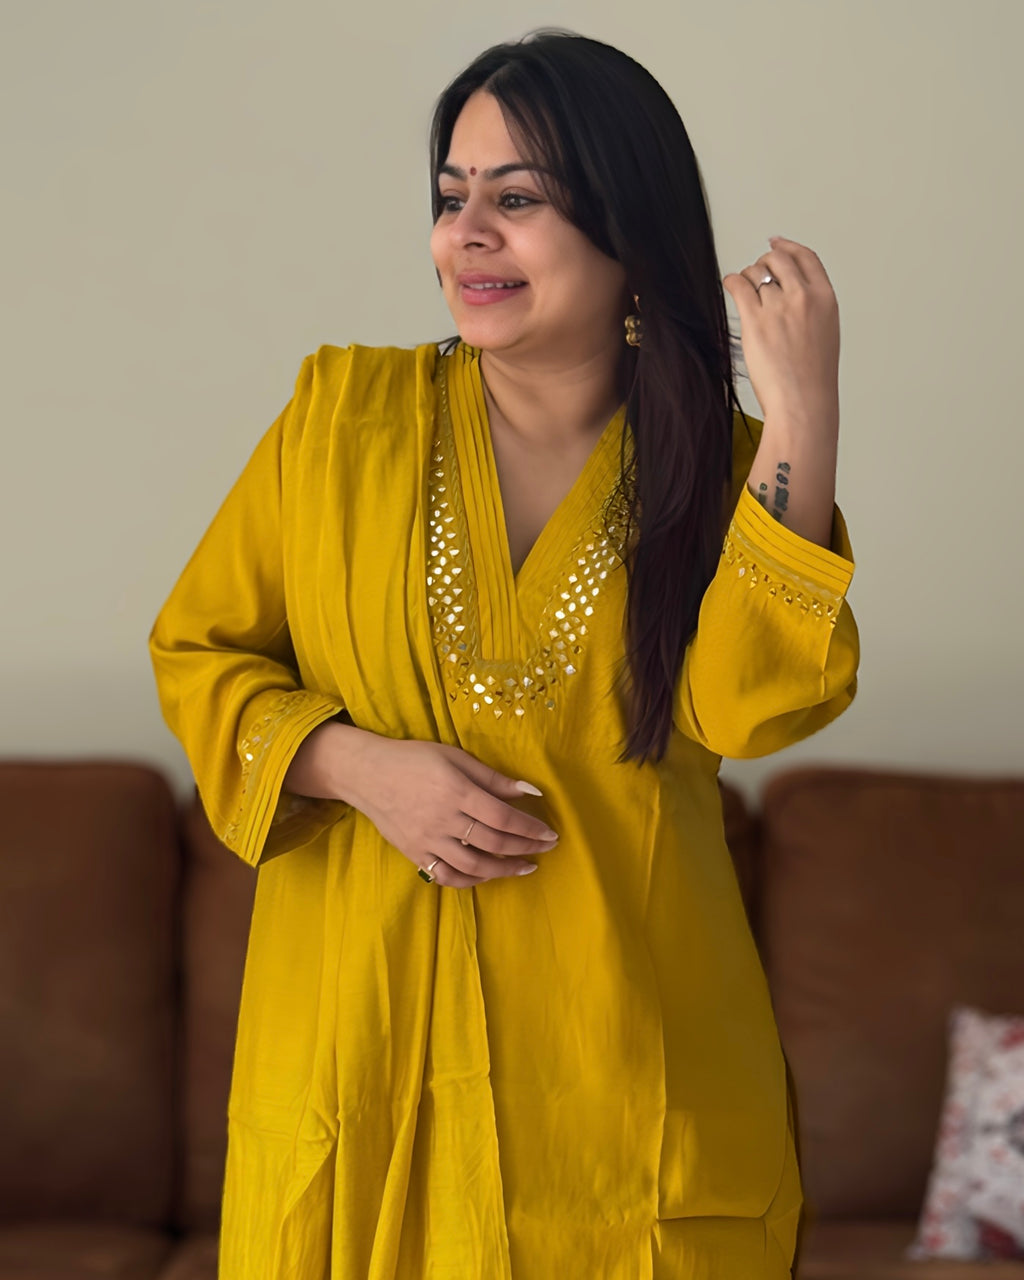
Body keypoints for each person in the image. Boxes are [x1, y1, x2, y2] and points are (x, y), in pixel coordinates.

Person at [149, 28, 858, 1280]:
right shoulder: (337, 423)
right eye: (450, 196)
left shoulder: (729, 476)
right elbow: (199, 651)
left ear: (627, 229)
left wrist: (803, 414)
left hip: (626, 1107)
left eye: (517, 199)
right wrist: (355, 763)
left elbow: (749, 710)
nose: (464, 234)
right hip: (360, 1080)